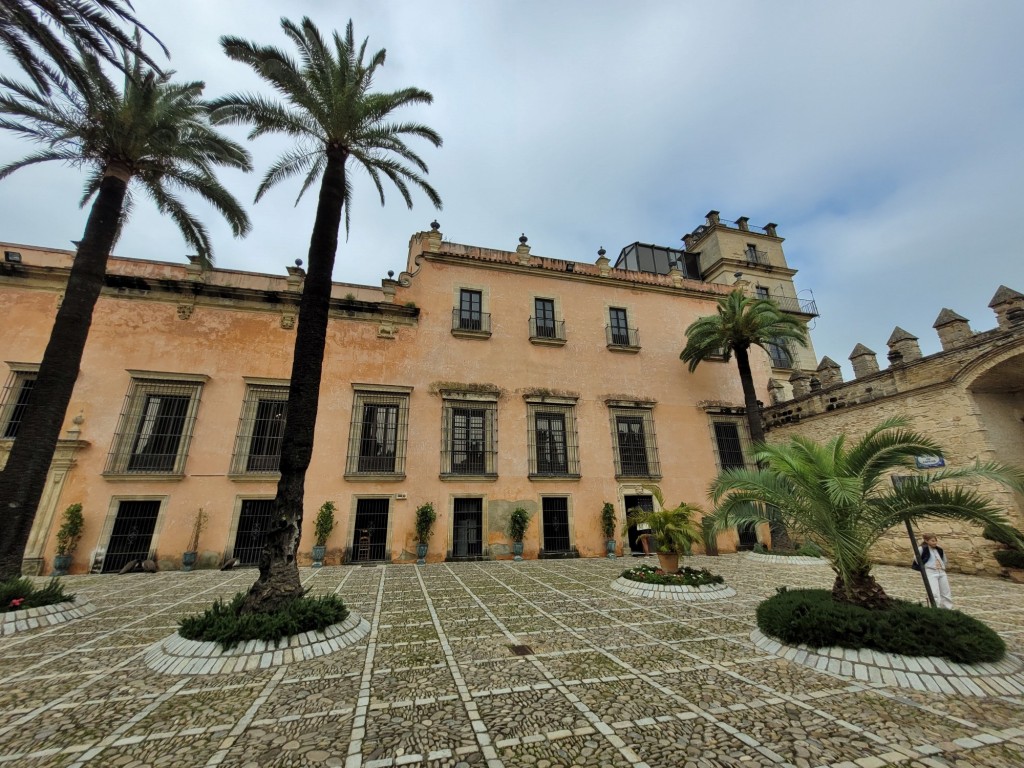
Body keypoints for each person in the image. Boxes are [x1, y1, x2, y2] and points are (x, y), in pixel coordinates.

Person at [918, 533, 954, 609]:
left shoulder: (939, 549)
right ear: (926, 541)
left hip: (941, 571)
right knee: (934, 592)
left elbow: (944, 559)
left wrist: (942, 566)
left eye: (935, 541)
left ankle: (947, 608)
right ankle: (934, 608)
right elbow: (917, 559)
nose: (935, 542)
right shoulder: (922, 549)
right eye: (932, 541)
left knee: (946, 591)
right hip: (930, 571)